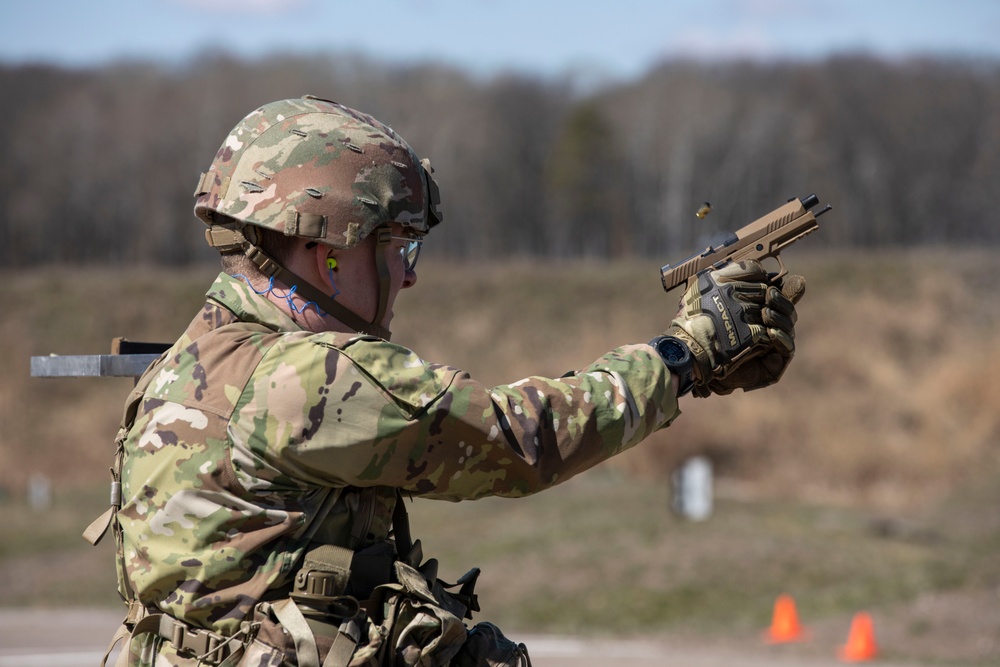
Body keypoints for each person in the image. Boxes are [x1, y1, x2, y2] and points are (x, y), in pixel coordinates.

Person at [89, 95, 805, 667]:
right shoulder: (306, 377)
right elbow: (519, 438)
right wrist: (685, 355)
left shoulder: (192, 356)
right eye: (394, 243)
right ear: (325, 252)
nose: (408, 271)